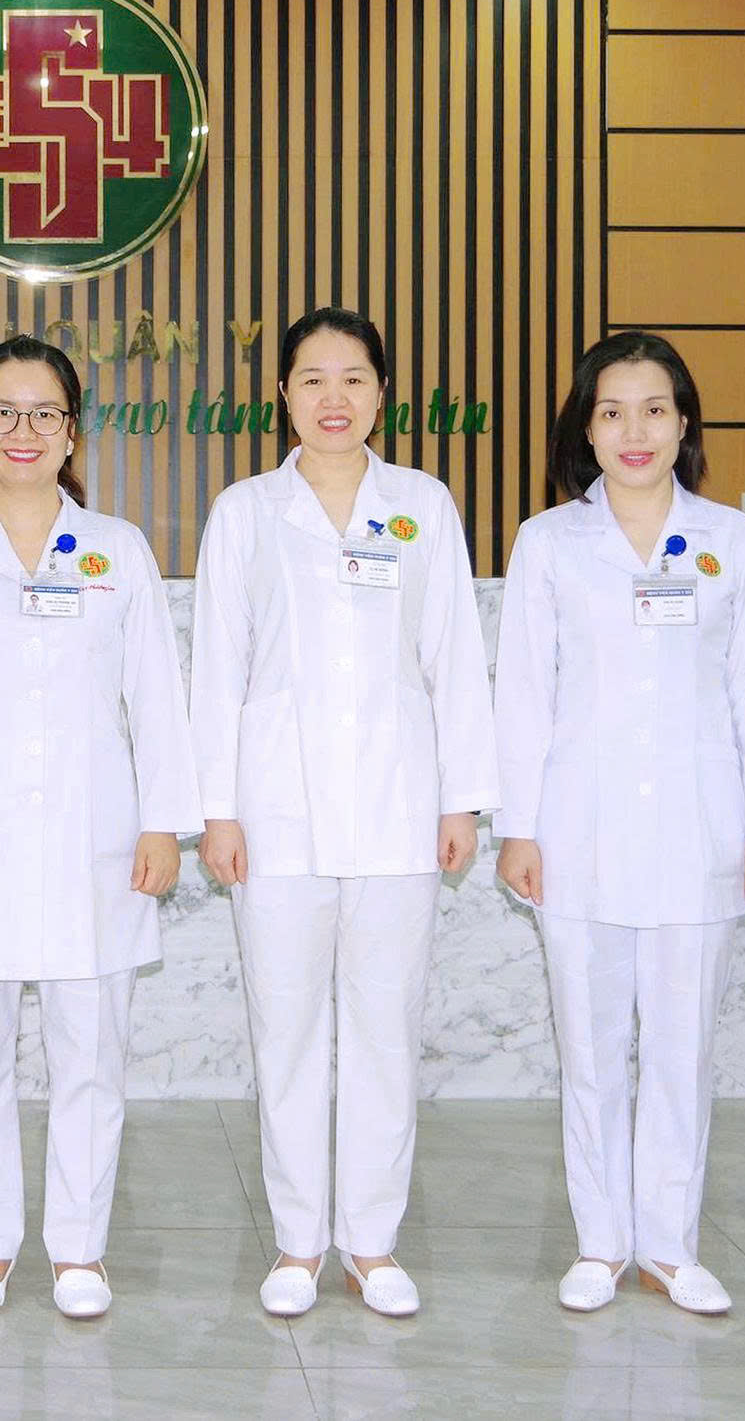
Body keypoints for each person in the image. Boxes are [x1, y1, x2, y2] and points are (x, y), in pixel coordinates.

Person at [0, 336, 201, 1322]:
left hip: (93, 839)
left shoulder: (117, 550)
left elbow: (157, 694)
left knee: (89, 1051)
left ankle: (78, 1249)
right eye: (2, 413)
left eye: (44, 413)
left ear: (72, 431)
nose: (23, 431)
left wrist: (163, 824)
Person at [190, 305, 499, 1319]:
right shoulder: (243, 511)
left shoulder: (421, 505)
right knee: (284, 1030)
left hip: (400, 805)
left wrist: (462, 798)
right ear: (281, 394)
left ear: (381, 394)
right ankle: (295, 1243)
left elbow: (454, 657)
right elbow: (217, 669)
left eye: (354, 379)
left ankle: (371, 1241)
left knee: (382, 1030)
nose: (334, 399)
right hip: (273, 812)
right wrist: (218, 809)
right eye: (313, 379)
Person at [492, 330, 745, 1318]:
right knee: (589, 1048)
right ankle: (600, 1243)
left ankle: (669, 1245)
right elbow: (522, 695)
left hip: (698, 833)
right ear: (586, 427)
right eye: (612, 411)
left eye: (655, 409)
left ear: (684, 423)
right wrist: (519, 826)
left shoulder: (731, 540)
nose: (635, 431)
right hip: (574, 835)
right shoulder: (548, 543)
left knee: (680, 1047)